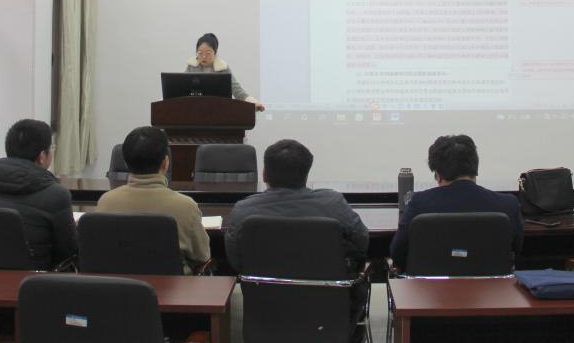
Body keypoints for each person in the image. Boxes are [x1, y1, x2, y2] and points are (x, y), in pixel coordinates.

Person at [224, 139, 368, 337]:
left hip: (266, 313)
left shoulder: (243, 211)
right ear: (306, 175)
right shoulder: (333, 204)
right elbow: (363, 243)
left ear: (264, 174)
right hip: (326, 315)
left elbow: (235, 260)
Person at [390, 134, 523, 272]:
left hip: (431, 285)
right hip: (492, 286)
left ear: (438, 175)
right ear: (475, 170)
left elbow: (397, 254)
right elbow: (516, 252)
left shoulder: (419, 204)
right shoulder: (508, 205)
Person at [0, 119, 76, 270]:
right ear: (42, 156)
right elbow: (67, 252)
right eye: (52, 148)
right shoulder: (57, 195)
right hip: (34, 280)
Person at [96, 126, 210, 272]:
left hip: (118, 284)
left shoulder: (105, 202)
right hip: (173, 286)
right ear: (165, 163)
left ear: (126, 163)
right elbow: (202, 256)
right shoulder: (186, 206)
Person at [186, 32, 265, 111]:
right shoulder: (192, 67)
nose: (203, 56)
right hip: (196, 109)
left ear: (215, 53)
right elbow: (183, 89)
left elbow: (237, 90)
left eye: (208, 53)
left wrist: (253, 104)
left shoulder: (223, 68)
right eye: (200, 53)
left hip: (219, 110)